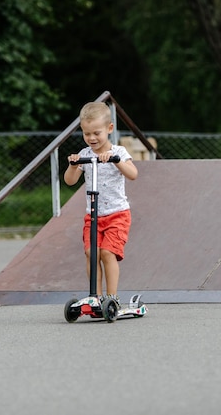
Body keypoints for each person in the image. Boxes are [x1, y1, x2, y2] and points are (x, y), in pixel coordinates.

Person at [64, 102, 138, 305]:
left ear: (109, 129)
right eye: (87, 134)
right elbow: (70, 181)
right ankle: (94, 298)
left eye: (96, 133)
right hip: (93, 216)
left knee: (107, 253)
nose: (92, 138)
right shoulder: (85, 154)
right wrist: (73, 165)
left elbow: (133, 174)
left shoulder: (119, 152)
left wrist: (115, 160)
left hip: (117, 214)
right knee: (92, 253)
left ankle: (112, 298)